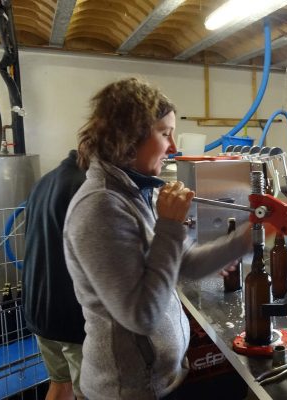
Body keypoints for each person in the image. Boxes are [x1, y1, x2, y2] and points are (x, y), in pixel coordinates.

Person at [63, 77, 251, 399]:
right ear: (130, 136)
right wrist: (170, 226)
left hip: (161, 379)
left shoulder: (135, 192)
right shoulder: (101, 207)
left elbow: (187, 263)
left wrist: (252, 236)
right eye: (165, 134)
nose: (173, 147)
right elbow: (141, 316)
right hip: (130, 390)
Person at [23, 149, 86, 400]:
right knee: (88, 394)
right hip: (72, 315)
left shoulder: (44, 181)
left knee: (60, 385)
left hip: (39, 308)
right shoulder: (87, 188)